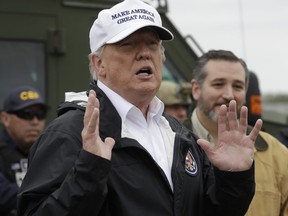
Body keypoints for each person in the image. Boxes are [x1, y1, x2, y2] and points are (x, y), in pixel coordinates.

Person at [17, 0, 263, 215]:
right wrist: (88, 173)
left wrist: (233, 178)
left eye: (152, 44)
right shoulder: (69, 133)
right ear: (99, 63)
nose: (144, 53)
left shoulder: (178, 134)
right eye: (129, 45)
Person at [183, 49, 288, 216]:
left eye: (237, 86)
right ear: (196, 89)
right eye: (218, 84)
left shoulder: (275, 153)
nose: (229, 95)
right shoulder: (170, 143)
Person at [0, 86, 48, 216]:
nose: (35, 121)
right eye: (26, 114)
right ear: (5, 119)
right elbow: (5, 197)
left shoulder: (48, 149)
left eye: (40, 114)